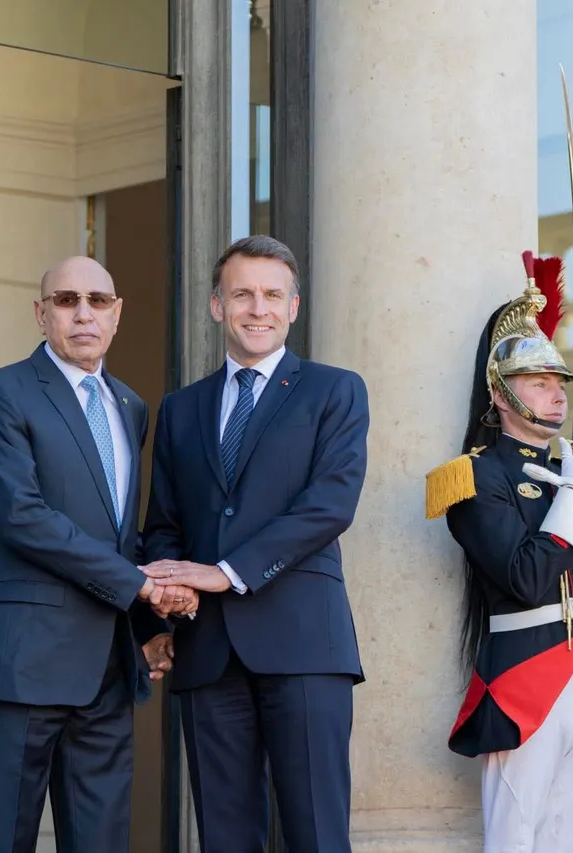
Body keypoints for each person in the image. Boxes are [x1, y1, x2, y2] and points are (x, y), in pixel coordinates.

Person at [0, 256, 198, 853]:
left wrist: (149, 623)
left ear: (117, 314)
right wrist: (142, 586)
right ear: (41, 314)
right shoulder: (0, 393)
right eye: (67, 301)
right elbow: (21, 517)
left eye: (98, 301)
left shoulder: (131, 406)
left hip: (108, 670)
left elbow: (120, 534)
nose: (84, 314)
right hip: (20, 662)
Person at [141, 235, 369, 852]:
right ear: (218, 306)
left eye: (273, 295)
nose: (258, 308)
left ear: (293, 308)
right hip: (207, 650)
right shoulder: (181, 409)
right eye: (242, 294)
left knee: (317, 836)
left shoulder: (335, 390)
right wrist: (162, 602)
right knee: (224, 839)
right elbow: (164, 524)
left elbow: (329, 505)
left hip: (304, 645)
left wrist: (227, 572)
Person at [424, 252, 573, 852]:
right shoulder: (476, 478)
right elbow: (525, 577)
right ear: (502, 394)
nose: (556, 397)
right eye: (538, 384)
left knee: (565, 842)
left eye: (558, 385)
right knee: (514, 839)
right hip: (525, 681)